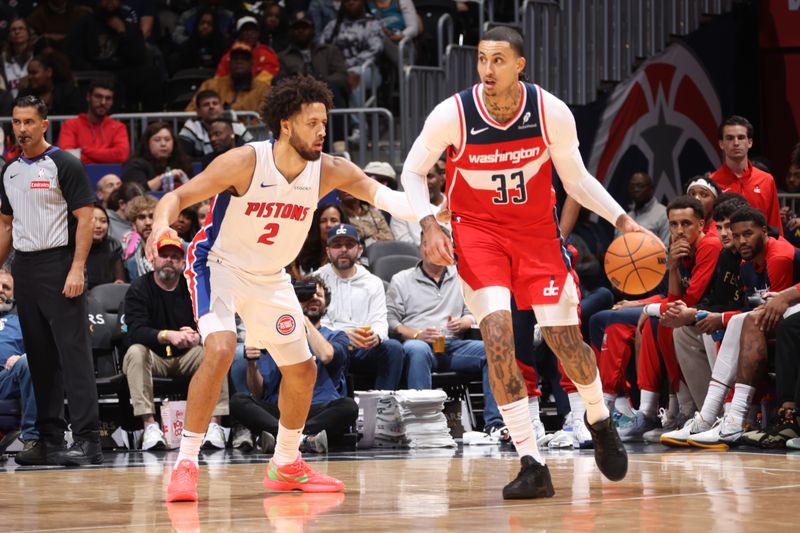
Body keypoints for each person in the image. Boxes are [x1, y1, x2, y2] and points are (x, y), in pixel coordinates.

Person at [399, 26, 650, 499]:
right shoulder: (453, 113)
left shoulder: (549, 111)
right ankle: (531, 461)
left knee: (564, 341)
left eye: (498, 60)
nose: (487, 69)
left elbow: (574, 179)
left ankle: (597, 418)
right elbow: (412, 170)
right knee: (497, 338)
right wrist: (429, 223)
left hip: (536, 234)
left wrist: (621, 219)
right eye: (480, 60)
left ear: (519, 65)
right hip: (477, 234)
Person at [147, 74, 423, 502]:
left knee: (304, 368)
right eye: (313, 123)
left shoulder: (328, 169)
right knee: (220, 348)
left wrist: (434, 210)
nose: (322, 131)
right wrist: (161, 226)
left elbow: (386, 197)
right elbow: (178, 198)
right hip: (217, 264)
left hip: (271, 275)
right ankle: (185, 463)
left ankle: (286, 463)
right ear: (286, 125)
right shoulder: (245, 161)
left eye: (325, 123)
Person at [0, 95, 102, 466]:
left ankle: (89, 441)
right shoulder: (9, 171)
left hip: (61, 263)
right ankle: (48, 438)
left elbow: (87, 219)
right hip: (24, 267)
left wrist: (77, 268)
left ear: (45, 124)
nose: (22, 129)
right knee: (39, 358)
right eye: (16, 122)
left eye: (28, 122)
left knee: (73, 355)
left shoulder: (65, 164)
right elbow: (6, 226)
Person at [386, 226, 503, 433]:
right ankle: (422, 426)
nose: (438, 250)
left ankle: (495, 424)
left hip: (453, 343)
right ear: (422, 248)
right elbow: (392, 321)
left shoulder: (462, 276)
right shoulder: (401, 279)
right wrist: (416, 333)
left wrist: (465, 322)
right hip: (421, 343)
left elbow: (473, 311)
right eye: (431, 245)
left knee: (493, 349)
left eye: (444, 245)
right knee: (416, 349)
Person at [122, 236, 228, 451]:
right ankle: (150, 426)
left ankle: (215, 425)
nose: (169, 260)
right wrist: (166, 335)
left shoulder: (193, 289)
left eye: (175, 257)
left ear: (183, 263)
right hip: (154, 357)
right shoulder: (139, 288)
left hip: (187, 355)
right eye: (164, 255)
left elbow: (209, 321)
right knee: (135, 352)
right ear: (153, 259)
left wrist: (197, 335)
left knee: (217, 351)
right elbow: (135, 331)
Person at [230, 276, 358, 452]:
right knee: (238, 401)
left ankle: (282, 438)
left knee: (349, 407)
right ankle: (304, 439)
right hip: (281, 409)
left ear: (326, 304)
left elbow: (326, 355)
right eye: (307, 296)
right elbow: (259, 392)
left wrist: (300, 316)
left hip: (318, 408)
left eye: (318, 296)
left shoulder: (337, 336)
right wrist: (251, 364)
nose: (313, 299)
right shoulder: (274, 337)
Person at [315, 224, 405, 390]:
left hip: (363, 348)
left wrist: (376, 336)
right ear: (328, 251)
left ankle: (382, 405)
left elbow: (380, 321)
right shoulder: (317, 280)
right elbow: (315, 324)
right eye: (337, 245)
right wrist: (342, 335)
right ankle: (330, 407)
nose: (343, 249)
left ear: (359, 249)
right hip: (332, 346)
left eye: (349, 245)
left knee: (393, 348)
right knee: (327, 349)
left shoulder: (373, 282)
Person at [710, 115, 782, 235]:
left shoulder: (766, 180)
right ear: (721, 144)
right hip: (725, 250)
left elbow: (774, 225)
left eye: (741, 137)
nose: (736, 143)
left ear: (750, 142)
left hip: (761, 250)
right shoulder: (712, 182)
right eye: (730, 138)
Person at [277, 11, 348, 110]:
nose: (301, 31)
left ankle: (339, 125)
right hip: (297, 100)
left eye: (305, 27)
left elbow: (342, 76)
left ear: (313, 29)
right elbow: (280, 82)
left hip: (327, 97)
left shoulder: (329, 50)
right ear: (291, 32)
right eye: (296, 28)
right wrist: (301, 86)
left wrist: (321, 83)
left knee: (332, 89)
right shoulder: (283, 56)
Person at [0, 270, 38, 453]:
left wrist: (23, 356)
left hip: (7, 378)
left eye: (6, 288)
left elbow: (42, 351)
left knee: (29, 362)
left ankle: (32, 439)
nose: (1, 290)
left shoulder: (21, 321)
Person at [185, 43, 273, 114]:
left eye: (244, 58)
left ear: (251, 63)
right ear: (229, 63)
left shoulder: (263, 89)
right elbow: (190, 111)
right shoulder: (210, 85)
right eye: (235, 58)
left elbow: (264, 119)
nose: (239, 61)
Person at [57, 80, 130, 165]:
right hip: (78, 175)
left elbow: (121, 155)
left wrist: (84, 150)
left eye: (108, 98)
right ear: (88, 97)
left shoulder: (119, 127)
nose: (103, 102)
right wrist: (106, 157)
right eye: (98, 97)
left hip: (111, 174)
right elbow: (67, 156)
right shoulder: (70, 125)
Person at [179, 90, 254, 160]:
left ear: (222, 108)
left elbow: (252, 151)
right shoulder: (191, 128)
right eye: (206, 104)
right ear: (198, 111)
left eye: (215, 103)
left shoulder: (237, 127)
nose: (211, 107)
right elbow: (185, 159)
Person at [122, 122, 194, 192]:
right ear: (147, 143)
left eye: (167, 139)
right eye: (157, 140)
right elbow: (136, 192)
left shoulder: (183, 163)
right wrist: (165, 177)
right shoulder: (135, 164)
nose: (163, 144)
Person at [391, 161, 448, 246]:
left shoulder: (454, 206)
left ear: (441, 179)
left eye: (429, 176)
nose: (424, 182)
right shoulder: (401, 207)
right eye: (418, 178)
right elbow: (404, 245)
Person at [291, 203, 349, 279]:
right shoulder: (302, 254)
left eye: (334, 220)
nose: (328, 225)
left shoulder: (351, 253)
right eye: (323, 221)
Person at [215, 15, 279, 82]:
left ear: (258, 33)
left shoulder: (267, 53)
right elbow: (218, 79)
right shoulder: (229, 55)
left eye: (253, 30)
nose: (250, 33)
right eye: (245, 30)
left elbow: (271, 74)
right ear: (239, 34)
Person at [16, 54, 83, 116]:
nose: (30, 77)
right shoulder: (24, 95)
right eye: (29, 73)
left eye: (34, 73)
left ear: (49, 72)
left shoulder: (68, 92)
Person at [615, 172, 669, 247]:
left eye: (640, 186)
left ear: (651, 189)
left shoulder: (664, 215)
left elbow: (667, 251)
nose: (636, 189)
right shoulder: (625, 218)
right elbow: (615, 248)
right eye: (632, 186)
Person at [172, 7, 230, 72]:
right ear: (196, 25)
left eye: (209, 24)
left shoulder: (223, 46)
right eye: (202, 23)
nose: (205, 26)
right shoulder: (187, 46)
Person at [87, 204, 126, 288]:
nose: (98, 226)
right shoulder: (73, 248)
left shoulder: (113, 245)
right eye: (93, 221)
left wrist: (119, 284)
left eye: (103, 221)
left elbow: (120, 281)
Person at [121, 194, 158, 282]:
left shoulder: (181, 248)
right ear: (134, 224)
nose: (148, 222)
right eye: (142, 217)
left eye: (152, 216)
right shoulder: (131, 262)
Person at [2, 18, 36, 99]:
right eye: (13, 29)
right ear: (9, 35)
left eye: (21, 28)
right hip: (9, 104)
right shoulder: (2, 59)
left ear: (28, 33)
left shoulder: (36, 55)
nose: (17, 32)